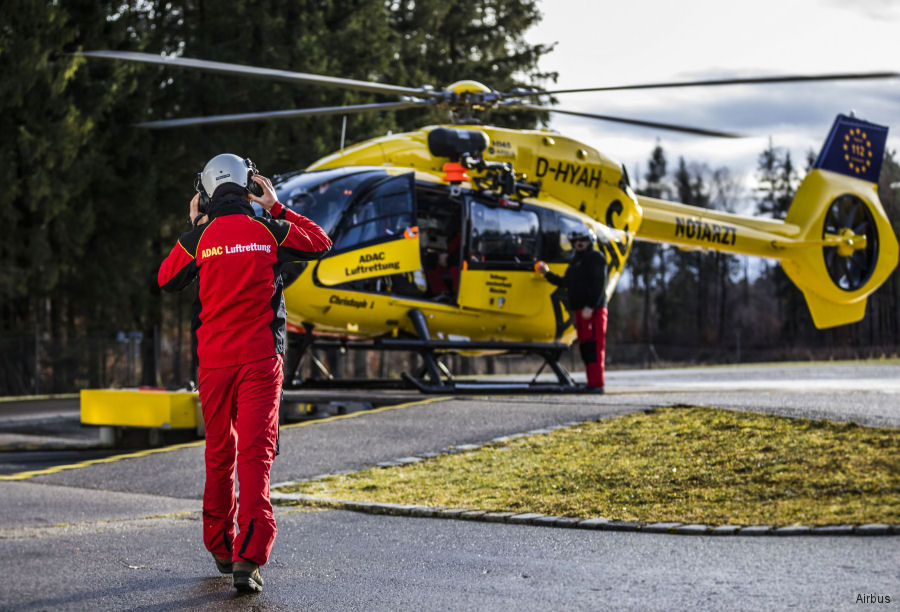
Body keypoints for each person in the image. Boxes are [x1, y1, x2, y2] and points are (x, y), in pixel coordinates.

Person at [158, 153, 332, 593]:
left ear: (205, 193)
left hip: (214, 365)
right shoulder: (270, 230)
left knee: (219, 451)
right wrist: (276, 206)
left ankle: (220, 546)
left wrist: (196, 228)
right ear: (249, 184)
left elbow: (165, 279)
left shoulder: (199, 241)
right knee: (253, 454)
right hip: (260, 361)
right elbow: (320, 241)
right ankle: (248, 558)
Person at [537, 229, 608, 392]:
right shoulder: (575, 261)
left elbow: (599, 284)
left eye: (582, 240)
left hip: (593, 312)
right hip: (580, 312)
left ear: (590, 240)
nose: (579, 243)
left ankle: (597, 384)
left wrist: (591, 306)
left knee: (594, 348)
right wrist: (547, 274)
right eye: (575, 241)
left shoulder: (596, 258)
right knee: (585, 348)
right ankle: (592, 382)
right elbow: (565, 283)